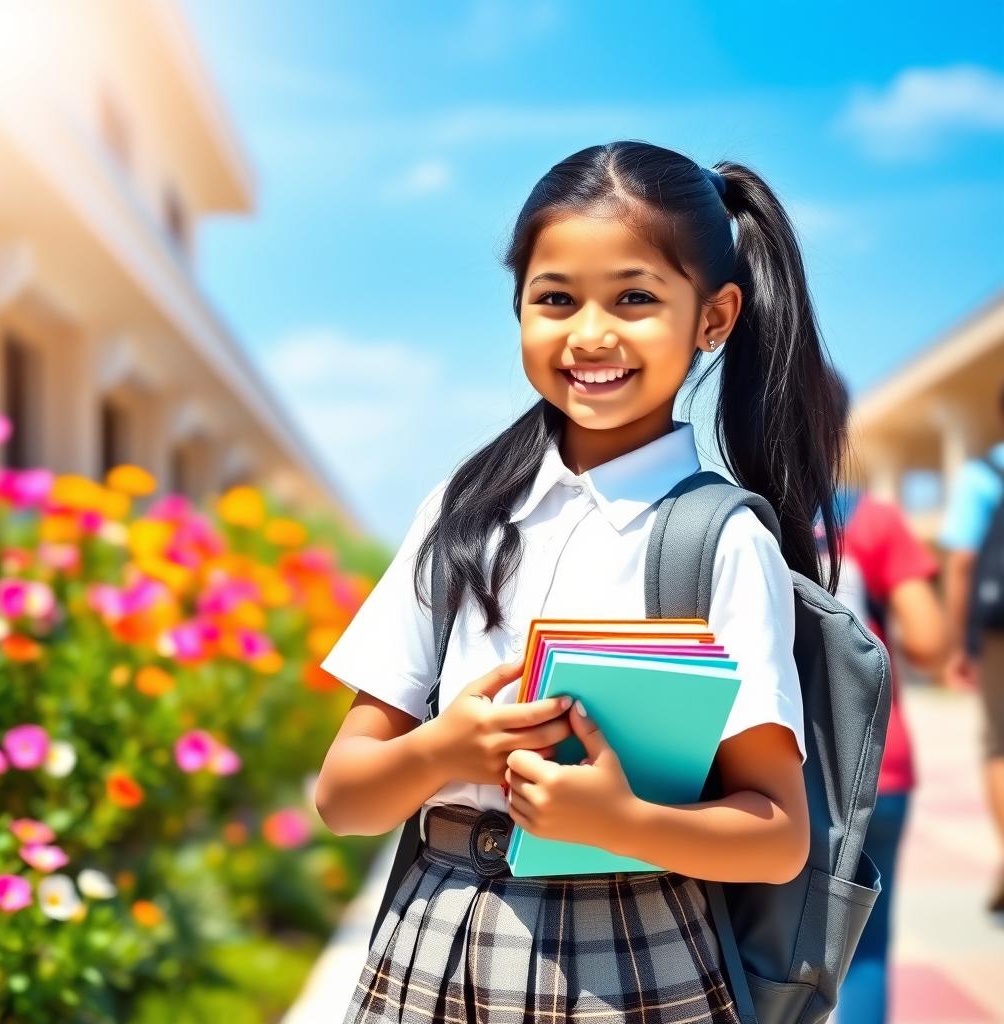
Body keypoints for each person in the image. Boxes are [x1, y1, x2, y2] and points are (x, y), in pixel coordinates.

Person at [314, 142, 846, 1023]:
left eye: (635, 298)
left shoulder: (720, 540)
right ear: (518, 307)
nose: (590, 333)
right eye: (555, 298)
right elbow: (343, 796)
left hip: (633, 956)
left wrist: (620, 820)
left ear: (713, 318)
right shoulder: (464, 512)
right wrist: (446, 751)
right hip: (431, 943)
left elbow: (778, 837)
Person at [825, 375, 948, 1024]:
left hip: (776, 771)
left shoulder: (747, 514)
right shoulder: (873, 520)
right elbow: (928, 641)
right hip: (877, 763)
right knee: (868, 949)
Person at [939, 385, 1004, 914]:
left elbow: (961, 563)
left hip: (998, 629)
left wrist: (961, 642)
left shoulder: (985, 474)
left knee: (999, 746)